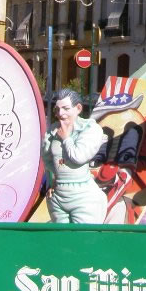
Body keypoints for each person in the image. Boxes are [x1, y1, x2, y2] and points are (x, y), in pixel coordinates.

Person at [41, 88, 108, 224]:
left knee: (82, 238)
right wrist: (54, 181)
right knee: (62, 239)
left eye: (66, 108)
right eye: (57, 109)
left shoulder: (89, 128)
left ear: (78, 108)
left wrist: (66, 139)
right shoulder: (52, 131)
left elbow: (79, 156)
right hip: (58, 196)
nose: (61, 113)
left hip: (82, 196)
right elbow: (48, 159)